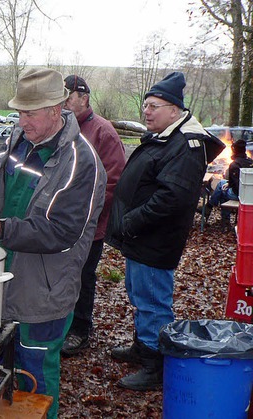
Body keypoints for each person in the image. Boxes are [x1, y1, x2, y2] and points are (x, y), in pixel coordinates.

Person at [0, 67, 107, 419]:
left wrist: (1, 229)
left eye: (29, 113)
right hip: (3, 276)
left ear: (55, 110)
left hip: (45, 287)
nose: (21, 120)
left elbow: (61, 232)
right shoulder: (20, 138)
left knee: (36, 374)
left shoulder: (80, 162)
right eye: (19, 112)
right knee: (6, 367)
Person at [106, 72, 225, 391]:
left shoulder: (185, 146)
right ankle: (141, 346)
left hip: (153, 239)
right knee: (139, 294)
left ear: (174, 109)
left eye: (154, 105)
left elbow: (171, 198)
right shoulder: (166, 136)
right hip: (142, 237)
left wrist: (131, 221)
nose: (146, 111)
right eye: (145, 104)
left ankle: (154, 364)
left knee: (153, 302)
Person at [60, 75, 126, 356]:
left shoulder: (103, 132)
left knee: (83, 276)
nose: (63, 102)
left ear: (83, 97)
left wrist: (86, 212)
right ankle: (62, 324)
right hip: (58, 223)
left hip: (90, 226)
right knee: (61, 275)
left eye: (68, 96)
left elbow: (115, 181)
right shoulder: (61, 127)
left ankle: (80, 330)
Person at [205, 139, 253, 227]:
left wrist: (230, 184)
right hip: (250, 194)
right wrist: (229, 183)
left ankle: (210, 207)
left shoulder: (234, 165)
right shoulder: (251, 162)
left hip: (240, 195)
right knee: (223, 186)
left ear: (234, 150)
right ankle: (223, 219)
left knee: (221, 189)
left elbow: (236, 187)